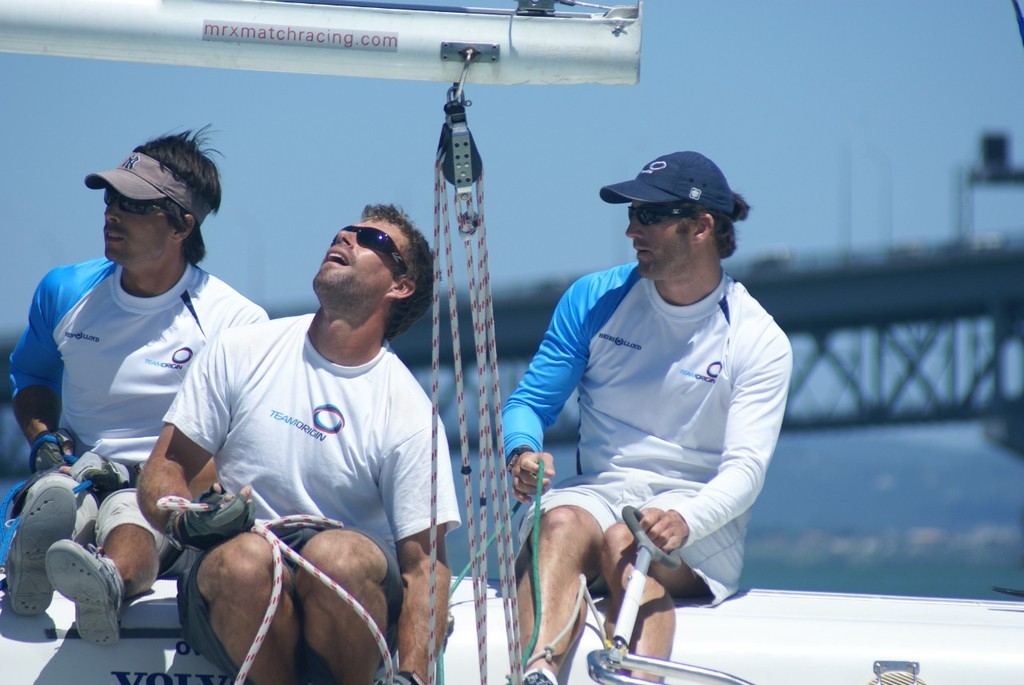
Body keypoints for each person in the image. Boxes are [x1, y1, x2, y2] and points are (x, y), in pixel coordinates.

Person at [138, 204, 461, 685]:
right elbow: (165, 468)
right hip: (240, 565)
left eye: (371, 240)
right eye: (346, 229)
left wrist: (414, 675)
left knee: (338, 557)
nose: (346, 237)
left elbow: (425, 566)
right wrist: (183, 518)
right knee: (244, 561)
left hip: (349, 591)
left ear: (400, 286)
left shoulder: (410, 413)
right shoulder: (241, 350)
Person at [503, 151, 793, 684]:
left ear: (701, 226)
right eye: (631, 214)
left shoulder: (758, 339)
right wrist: (522, 451)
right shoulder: (594, 298)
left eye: (650, 216)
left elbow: (745, 471)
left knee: (626, 543)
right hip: (600, 491)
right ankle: (535, 671)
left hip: (699, 512)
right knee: (560, 521)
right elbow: (528, 404)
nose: (632, 229)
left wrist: (685, 519)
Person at [5, 129, 268, 646]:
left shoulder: (235, 321)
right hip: (76, 470)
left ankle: (108, 583)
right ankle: (34, 559)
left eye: (132, 203)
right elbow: (32, 378)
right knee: (57, 492)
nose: (111, 213)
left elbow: (243, 438)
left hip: (161, 491)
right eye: (109, 198)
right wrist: (41, 438)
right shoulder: (64, 291)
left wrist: (177, 494)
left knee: (132, 516)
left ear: (181, 225)